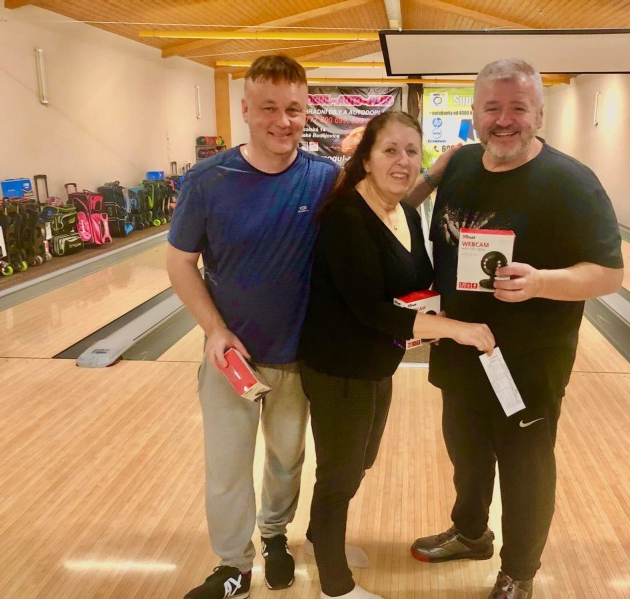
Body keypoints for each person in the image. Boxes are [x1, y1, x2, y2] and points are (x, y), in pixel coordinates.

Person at [407, 59, 625, 599]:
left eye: (518, 108)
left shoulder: (572, 182)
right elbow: (413, 220)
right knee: (466, 455)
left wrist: (543, 281)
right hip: (460, 350)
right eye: (492, 108)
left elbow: (609, 273)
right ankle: (471, 534)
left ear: (539, 114)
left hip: (529, 362)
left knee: (525, 468)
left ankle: (519, 572)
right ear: (475, 113)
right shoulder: (459, 166)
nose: (504, 120)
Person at [298, 111, 496, 599]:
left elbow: (415, 286)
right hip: (338, 367)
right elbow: (373, 310)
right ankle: (335, 585)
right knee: (339, 473)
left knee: (361, 460)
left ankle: (321, 536)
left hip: (376, 363)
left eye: (412, 151)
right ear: (366, 159)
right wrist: (455, 329)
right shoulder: (346, 217)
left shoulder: (405, 213)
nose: (403, 161)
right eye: (390, 150)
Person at [166, 55, 339, 599]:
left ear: (306, 110)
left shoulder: (324, 178)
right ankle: (233, 567)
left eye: (293, 109)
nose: (282, 122)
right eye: (268, 108)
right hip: (230, 360)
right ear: (245, 110)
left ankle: (274, 535)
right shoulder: (207, 180)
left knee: (287, 461)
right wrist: (215, 330)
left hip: (296, 357)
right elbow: (180, 262)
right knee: (227, 468)